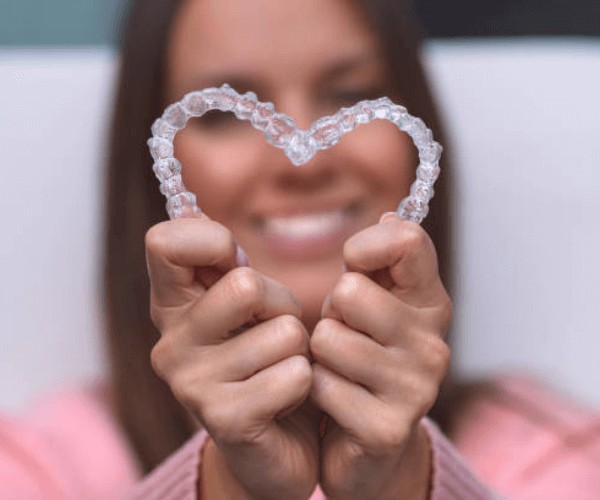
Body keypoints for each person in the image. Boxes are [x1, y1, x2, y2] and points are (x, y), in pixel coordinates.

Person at [3, 0, 600, 498]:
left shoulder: (559, 458)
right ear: (154, 169)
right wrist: (229, 483)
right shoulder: (35, 468)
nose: (305, 162)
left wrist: (400, 480)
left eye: (350, 93)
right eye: (224, 115)